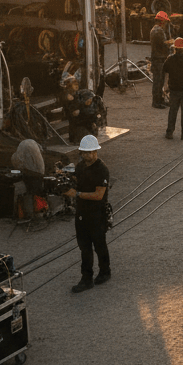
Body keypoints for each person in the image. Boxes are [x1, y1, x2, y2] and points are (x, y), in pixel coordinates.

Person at [66, 135, 111, 292]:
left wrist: (76, 194)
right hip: (82, 214)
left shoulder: (102, 170)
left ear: (96, 152)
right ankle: (87, 278)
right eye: (85, 153)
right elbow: (76, 178)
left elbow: (98, 195)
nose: (89, 156)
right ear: (81, 153)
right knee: (84, 247)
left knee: (99, 245)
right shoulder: (80, 166)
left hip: (97, 214)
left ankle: (105, 272)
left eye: (91, 152)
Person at [59, 74, 104, 143]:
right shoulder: (68, 96)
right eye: (74, 83)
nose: (76, 84)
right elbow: (73, 111)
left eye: (76, 83)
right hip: (77, 123)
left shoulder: (77, 94)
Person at [149, 11, 171, 109]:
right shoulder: (158, 31)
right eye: (165, 21)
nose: (166, 24)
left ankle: (159, 99)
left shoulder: (157, 29)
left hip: (159, 58)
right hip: (158, 59)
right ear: (162, 21)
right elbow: (162, 44)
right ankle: (156, 101)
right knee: (158, 81)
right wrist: (170, 43)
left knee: (160, 81)